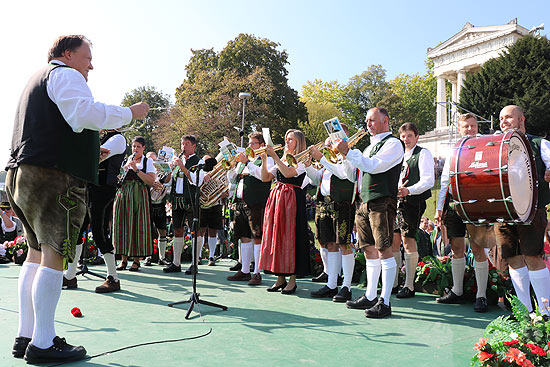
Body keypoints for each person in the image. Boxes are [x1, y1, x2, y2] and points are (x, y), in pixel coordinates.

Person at [6, 35, 149, 363]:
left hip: (23, 174)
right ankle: (42, 344)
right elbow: (82, 114)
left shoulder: (37, 79)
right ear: (68, 55)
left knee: (35, 253)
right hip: (52, 176)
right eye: (87, 57)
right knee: (55, 254)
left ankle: (26, 334)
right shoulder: (65, 74)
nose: (91, 65)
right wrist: (129, 112)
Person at [334, 107, 404, 318]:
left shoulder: (393, 144)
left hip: (382, 201)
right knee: (368, 249)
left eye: (372, 120)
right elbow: (350, 175)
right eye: (367, 121)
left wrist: (348, 151)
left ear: (385, 120)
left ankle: (385, 301)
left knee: (384, 249)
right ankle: (371, 294)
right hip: (365, 202)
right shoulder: (368, 147)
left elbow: (374, 167)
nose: (368, 124)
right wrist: (343, 157)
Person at [434, 113, 496, 313]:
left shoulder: (485, 147)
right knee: (456, 249)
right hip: (454, 205)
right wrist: (439, 210)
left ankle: (481, 296)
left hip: (476, 205)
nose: (470, 129)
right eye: (465, 126)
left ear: (477, 127)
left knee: (478, 249)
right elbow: (445, 181)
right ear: (459, 129)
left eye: (472, 126)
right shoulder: (453, 151)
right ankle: (457, 291)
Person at [493, 105, 550, 315]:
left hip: (532, 211)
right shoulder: (495, 147)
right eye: (501, 118)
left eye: (509, 117)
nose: (504, 121)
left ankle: (545, 313)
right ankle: (524, 313)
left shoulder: (539, 143)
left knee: (533, 257)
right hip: (504, 210)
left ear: (522, 119)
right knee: (513, 260)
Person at [63, 129, 127, 292]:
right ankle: (70, 276)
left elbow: (97, 156)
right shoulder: (103, 137)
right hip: (91, 188)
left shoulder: (118, 138)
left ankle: (113, 278)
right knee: (78, 231)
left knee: (99, 232)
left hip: (103, 189)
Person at [305, 125, 358, 302]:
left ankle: (347, 287)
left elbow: (344, 175)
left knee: (344, 244)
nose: (329, 146)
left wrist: (323, 158)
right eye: (328, 143)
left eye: (332, 141)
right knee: (330, 244)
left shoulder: (349, 154)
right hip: (325, 204)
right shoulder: (329, 158)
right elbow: (318, 178)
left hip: (342, 204)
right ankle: (332, 284)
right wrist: (307, 167)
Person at [259, 129, 310, 294]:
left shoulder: (303, 159)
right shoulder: (282, 158)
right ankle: (280, 277)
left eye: (291, 140)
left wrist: (273, 156)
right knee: (276, 236)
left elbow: (289, 173)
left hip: (292, 199)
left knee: (291, 236)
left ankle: (293, 280)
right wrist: (264, 159)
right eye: (286, 139)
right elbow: (265, 178)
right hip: (277, 197)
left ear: (298, 142)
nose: (287, 142)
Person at [392, 122, 435, 299]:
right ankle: (393, 283)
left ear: (416, 137)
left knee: (408, 240)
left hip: (413, 202)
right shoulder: (398, 155)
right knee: (393, 240)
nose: (406, 139)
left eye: (409, 135)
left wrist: (409, 190)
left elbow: (428, 180)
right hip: (396, 202)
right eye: (403, 136)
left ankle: (409, 285)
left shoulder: (422, 153)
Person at [226, 132, 274, 285]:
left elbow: (262, 176)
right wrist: (231, 166)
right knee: (244, 237)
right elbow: (233, 179)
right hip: (241, 202)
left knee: (257, 237)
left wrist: (247, 162)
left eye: (253, 143)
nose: (249, 146)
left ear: (261, 145)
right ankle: (245, 270)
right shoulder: (247, 160)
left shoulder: (267, 159)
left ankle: (257, 272)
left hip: (257, 203)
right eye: (249, 143)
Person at [113, 136, 156, 271]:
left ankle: (136, 260)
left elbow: (151, 181)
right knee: (122, 223)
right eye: (133, 146)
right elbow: (117, 179)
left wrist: (136, 170)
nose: (135, 149)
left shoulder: (147, 161)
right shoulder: (126, 160)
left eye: (138, 146)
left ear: (143, 148)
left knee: (138, 224)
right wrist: (123, 171)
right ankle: (123, 259)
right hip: (124, 193)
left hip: (139, 194)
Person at [163, 135, 205, 274]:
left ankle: (195, 263)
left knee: (195, 231)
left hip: (191, 200)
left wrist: (182, 167)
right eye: (182, 144)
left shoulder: (198, 161)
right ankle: (176, 263)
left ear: (193, 146)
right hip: (177, 200)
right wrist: (169, 170)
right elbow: (168, 182)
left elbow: (197, 181)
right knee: (177, 230)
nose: (183, 147)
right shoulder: (177, 161)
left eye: (187, 144)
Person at [144, 151, 171, 267]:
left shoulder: (160, 172)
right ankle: (148, 256)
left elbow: (168, 182)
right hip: (147, 202)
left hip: (159, 203)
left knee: (163, 230)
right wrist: (152, 184)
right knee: (148, 230)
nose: (153, 163)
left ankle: (162, 257)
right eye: (150, 160)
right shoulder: (145, 168)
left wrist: (169, 171)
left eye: (154, 160)